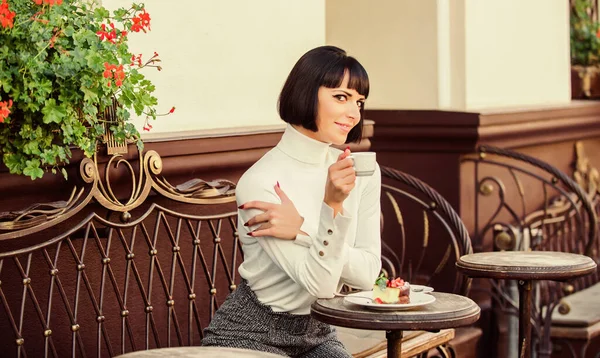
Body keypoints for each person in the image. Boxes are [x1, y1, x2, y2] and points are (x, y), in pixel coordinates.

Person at [202, 45, 382, 357]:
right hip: (249, 334)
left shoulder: (360, 171)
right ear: (307, 93)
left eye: (359, 101)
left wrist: (300, 229)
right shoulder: (260, 182)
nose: (354, 113)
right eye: (341, 97)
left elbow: (367, 273)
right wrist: (333, 206)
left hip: (319, 332)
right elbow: (321, 285)